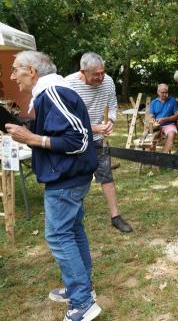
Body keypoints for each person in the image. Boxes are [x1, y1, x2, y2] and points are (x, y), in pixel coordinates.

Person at [6, 51, 101, 321]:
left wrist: (32, 138)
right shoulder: (50, 94)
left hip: (67, 179)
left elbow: (78, 140)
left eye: (16, 70)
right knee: (71, 231)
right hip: (70, 178)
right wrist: (29, 134)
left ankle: (82, 302)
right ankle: (81, 290)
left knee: (59, 236)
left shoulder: (54, 93)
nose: (13, 76)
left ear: (32, 71)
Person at [65, 52, 133, 233]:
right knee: (75, 178)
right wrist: (93, 128)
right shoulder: (68, 85)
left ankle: (115, 217)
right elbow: (66, 120)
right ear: (83, 71)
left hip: (98, 140)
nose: (101, 77)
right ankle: (71, 218)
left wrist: (110, 121)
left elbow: (112, 105)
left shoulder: (108, 82)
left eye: (103, 72)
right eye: (96, 74)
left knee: (106, 175)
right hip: (74, 141)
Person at [149, 83, 178, 153]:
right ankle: (151, 155)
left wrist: (165, 119)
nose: (165, 94)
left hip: (170, 124)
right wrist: (152, 118)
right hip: (157, 125)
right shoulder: (154, 102)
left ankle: (164, 156)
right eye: (162, 93)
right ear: (158, 92)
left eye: (166, 92)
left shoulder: (173, 101)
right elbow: (152, 115)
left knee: (171, 134)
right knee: (149, 135)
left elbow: (177, 117)